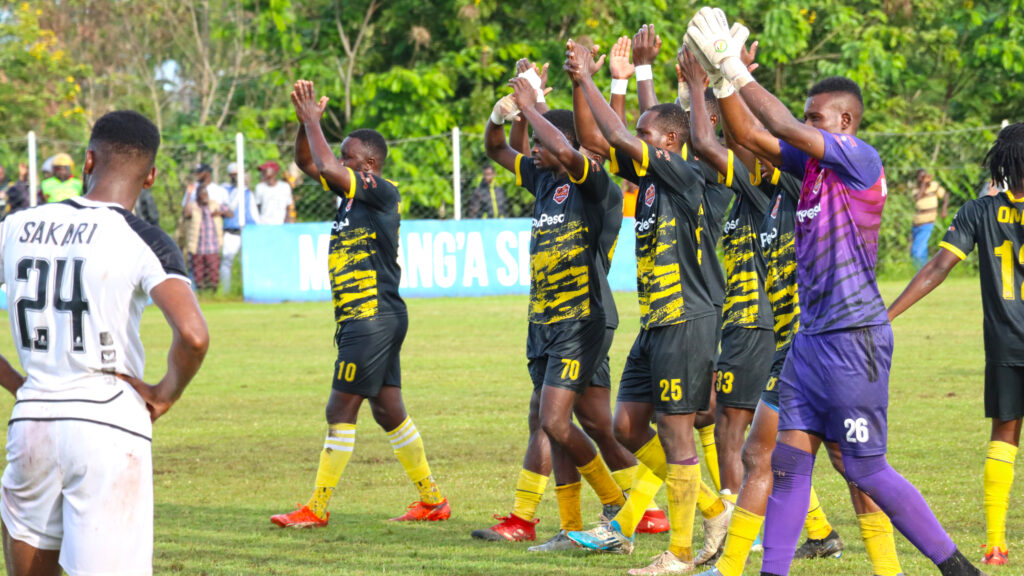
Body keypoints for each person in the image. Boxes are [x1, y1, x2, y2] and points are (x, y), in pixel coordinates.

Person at [685, 7, 981, 575]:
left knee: (865, 471)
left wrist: (734, 68)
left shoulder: (862, 160)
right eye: (806, 116)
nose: (805, 123)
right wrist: (723, 82)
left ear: (845, 123)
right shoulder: (811, 168)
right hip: (811, 343)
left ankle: (955, 566)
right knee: (791, 467)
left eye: (816, 116)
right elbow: (749, 132)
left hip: (854, 341)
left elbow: (784, 128)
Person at [0, 109, 208, 576]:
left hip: (32, 422)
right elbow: (194, 336)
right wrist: (164, 393)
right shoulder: (143, 238)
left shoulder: (16, 226)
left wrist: (19, 383)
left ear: (87, 160)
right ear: (151, 175)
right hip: (107, 423)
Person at [561, 35, 721, 574]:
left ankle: (679, 553)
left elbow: (617, 133)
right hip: (656, 324)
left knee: (677, 433)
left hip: (687, 321)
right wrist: (604, 83)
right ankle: (714, 509)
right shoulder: (653, 179)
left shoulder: (686, 176)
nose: (637, 143)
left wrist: (588, 77)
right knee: (627, 428)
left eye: (648, 137)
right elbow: (600, 137)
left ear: (670, 144)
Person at [271, 79, 449, 527]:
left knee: (339, 409)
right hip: (369, 316)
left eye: (349, 157)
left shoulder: (381, 190)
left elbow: (328, 167)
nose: (340, 163)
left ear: (368, 165)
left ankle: (317, 507)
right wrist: (303, 125)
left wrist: (316, 121)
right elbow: (309, 161)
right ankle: (432, 501)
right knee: (388, 410)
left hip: (371, 315)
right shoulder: (353, 196)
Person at [477, 65, 630, 546]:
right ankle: (567, 526)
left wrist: (532, 103)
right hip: (545, 320)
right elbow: (496, 147)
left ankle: (619, 503)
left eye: (542, 144)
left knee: (557, 421)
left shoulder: (594, 182)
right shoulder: (544, 181)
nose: (534, 151)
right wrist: (503, 111)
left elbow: (567, 147)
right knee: (572, 424)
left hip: (582, 319)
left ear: (564, 144)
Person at [889, 122, 1024, 566]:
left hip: (1006, 342)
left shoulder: (979, 211)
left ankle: (995, 542)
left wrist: (886, 315)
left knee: (1005, 434)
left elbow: (938, 267)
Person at [219, 163, 259, 293]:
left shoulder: (248, 192)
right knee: (227, 260)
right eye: (236, 175)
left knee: (247, 261)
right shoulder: (225, 190)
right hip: (232, 231)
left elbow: (254, 213)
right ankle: (226, 291)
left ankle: (248, 289)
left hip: (248, 232)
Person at [183, 185, 224, 292]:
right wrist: (188, 195)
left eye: (206, 194)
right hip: (198, 246)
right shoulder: (194, 207)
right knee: (198, 273)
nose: (205, 197)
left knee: (213, 272)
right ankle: (201, 294)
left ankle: (213, 293)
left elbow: (229, 212)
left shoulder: (214, 205)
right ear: (198, 196)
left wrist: (221, 213)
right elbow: (186, 213)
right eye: (202, 194)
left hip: (213, 246)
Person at [910, 168, 949, 269]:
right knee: (921, 250)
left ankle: (919, 271)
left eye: (925, 176)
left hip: (928, 222)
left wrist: (944, 209)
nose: (924, 179)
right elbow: (918, 197)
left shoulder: (934, 186)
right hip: (917, 222)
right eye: (921, 177)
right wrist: (923, 183)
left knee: (917, 250)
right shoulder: (915, 188)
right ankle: (924, 269)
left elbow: (945, 195)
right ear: (917, 179)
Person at [255, 160, 294, 225]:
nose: (262, 173)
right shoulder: (260, 187)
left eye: (265, 170)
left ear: (273, 171)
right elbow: (257, 207)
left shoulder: (285, 187)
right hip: (263, 223)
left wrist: (287, 221)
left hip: (280, 223)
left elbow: (288, 206)